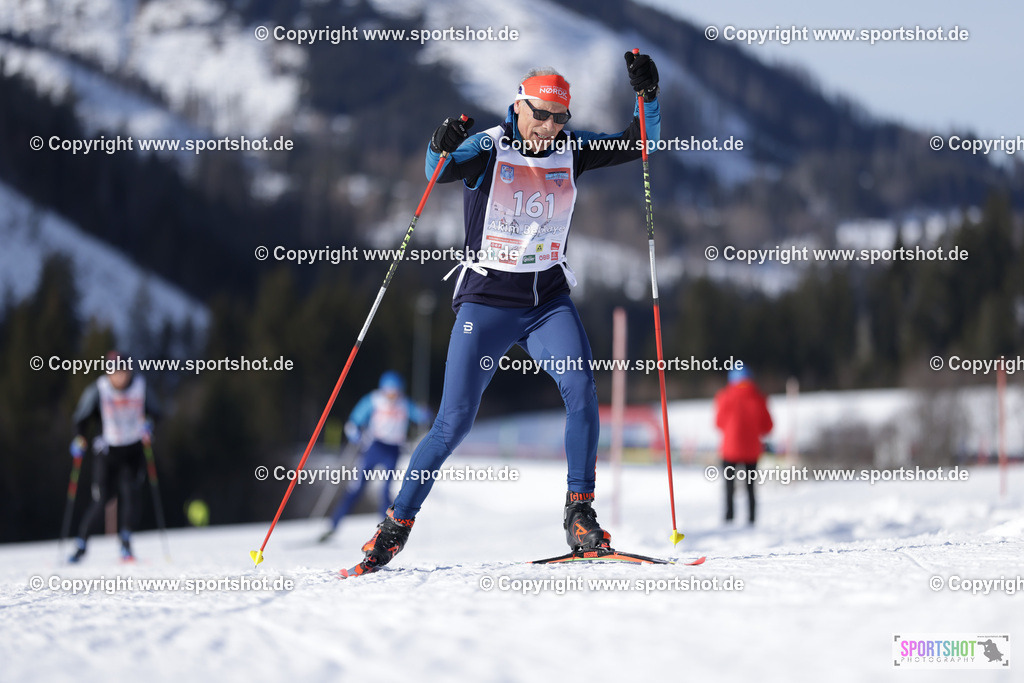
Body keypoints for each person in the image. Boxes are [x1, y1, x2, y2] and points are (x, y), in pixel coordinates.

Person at [353, 52, 662, 571]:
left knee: (582, 393)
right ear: (518, 106)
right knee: (454, 422)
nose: (548, 127)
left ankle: (580, 513)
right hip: (486, 302)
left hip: (546, 303)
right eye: (540, 114)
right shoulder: (490, 147)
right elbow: (438, 175)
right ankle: (396, 525)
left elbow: (639, 144)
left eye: (559, 118)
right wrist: (438, 144)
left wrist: (648, 97)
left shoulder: (574, 148)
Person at [67, 350, 159, 562]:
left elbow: (156, 412)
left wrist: (150, 425)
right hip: (107, 450)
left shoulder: (140, 386)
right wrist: (79, 438)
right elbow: (81, 418)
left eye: (123, 371)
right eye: (115, 372)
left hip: (133, 449)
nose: (120, 376)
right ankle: (81, 543)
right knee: (101, 500)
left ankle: (126, 543)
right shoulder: (99, 389)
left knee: (131, 493)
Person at [319, 372, 430, 543]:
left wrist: (424, 413)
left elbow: (420, 416)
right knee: (356, 488)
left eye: (396, 391)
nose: (393, 395)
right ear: (384, 389)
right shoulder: (374, 400)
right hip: (374, 447)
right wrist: (354, 431)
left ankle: (385, 533)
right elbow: (354, 420)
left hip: (393, 450)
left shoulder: (404, 403)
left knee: (386, 492)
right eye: (390, 391)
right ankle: (333, 526)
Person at [714, 365, 773, 525]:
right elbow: (768, 426)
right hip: (752, 450)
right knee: (750, 486)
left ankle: (729, 517)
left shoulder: (724, 396)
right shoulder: (759, 398)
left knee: (729, 485)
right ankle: (752, 518)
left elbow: (718, 423)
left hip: (729, 450)